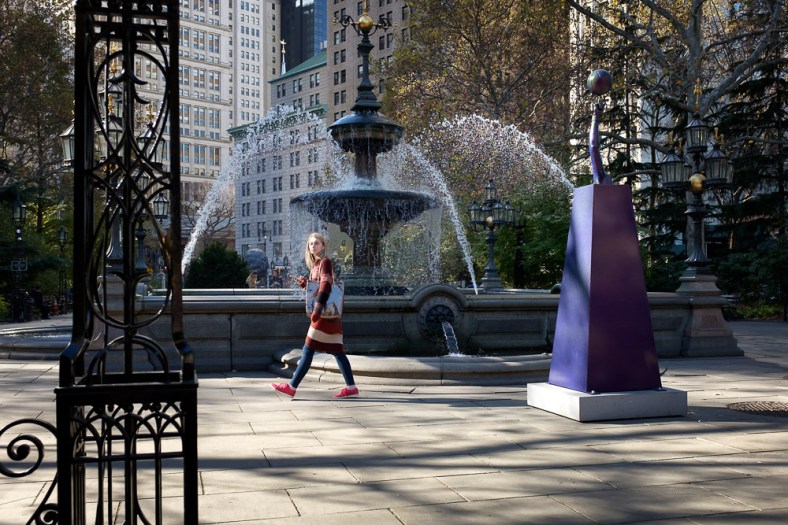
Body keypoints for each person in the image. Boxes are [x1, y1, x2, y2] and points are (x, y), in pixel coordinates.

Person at [272, 232, 358, 399]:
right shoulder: (317, 265)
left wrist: (317, 309)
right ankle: (351, 387)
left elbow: (326, 286)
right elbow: (319, 287)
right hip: (330, 316)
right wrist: (306, 284)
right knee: (338, 352)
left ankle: (292, 386)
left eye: (317, 243)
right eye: (311, 244)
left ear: (323, 245)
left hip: (322, 316)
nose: (313, 246)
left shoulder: (324, 262)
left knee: (308, 350)